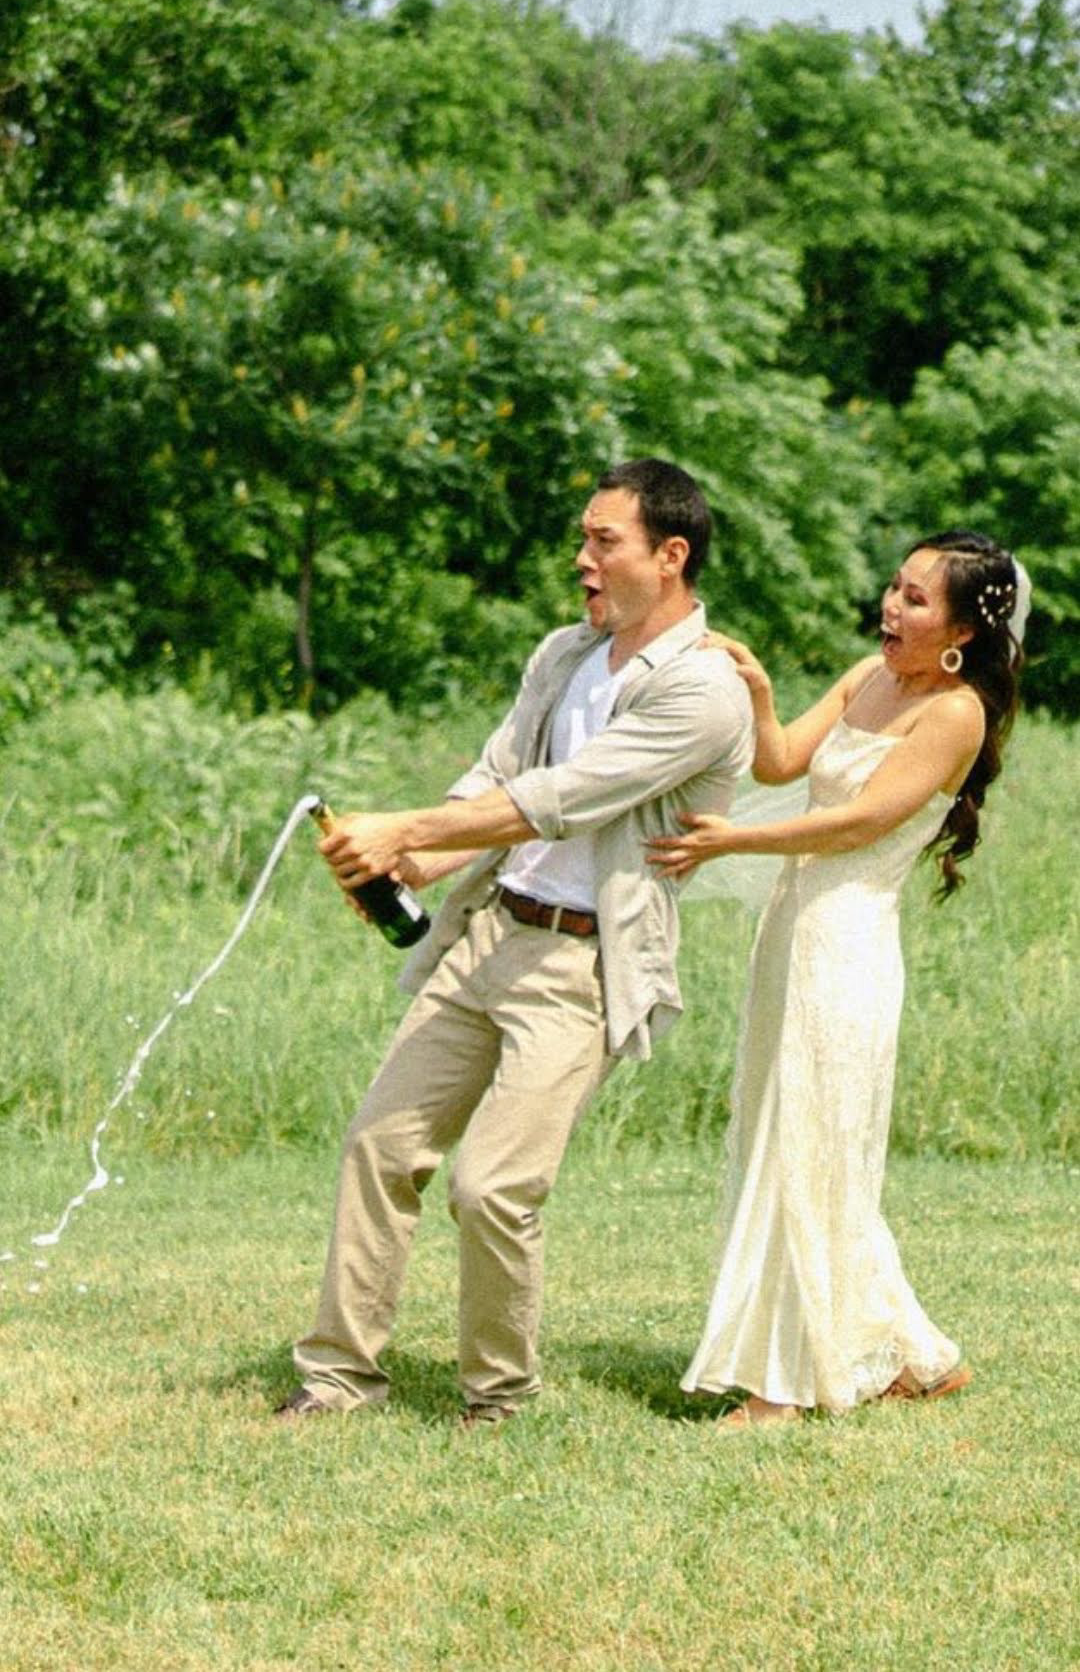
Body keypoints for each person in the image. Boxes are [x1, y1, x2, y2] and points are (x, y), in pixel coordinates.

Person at [276, 458, 753, 1426]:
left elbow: (562, 798)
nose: (582, 559)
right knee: (379, 1146)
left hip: (580, 966)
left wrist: (403, 828)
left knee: (492, 1186)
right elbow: (499, 772)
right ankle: (337, 1377)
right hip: (487, 933)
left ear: (671, 556)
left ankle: (498, 1398)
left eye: (603, 541)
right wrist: (417, 864)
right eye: (582, 538)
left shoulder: (705, 692)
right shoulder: (564, 653)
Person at [647, 529, 1026, 1430]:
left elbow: (860, 823)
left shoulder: (956, 715)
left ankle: (781, 1385)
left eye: (916, 599)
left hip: (847, 945)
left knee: (811, 1148)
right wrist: (760, 693)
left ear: (961, 631)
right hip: (790, 931)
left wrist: (734, 840)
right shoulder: (867, 676)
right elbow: (781, 763)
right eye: (894, 588)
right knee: (785, 1136)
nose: (891, 607)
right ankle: (911, 1354)